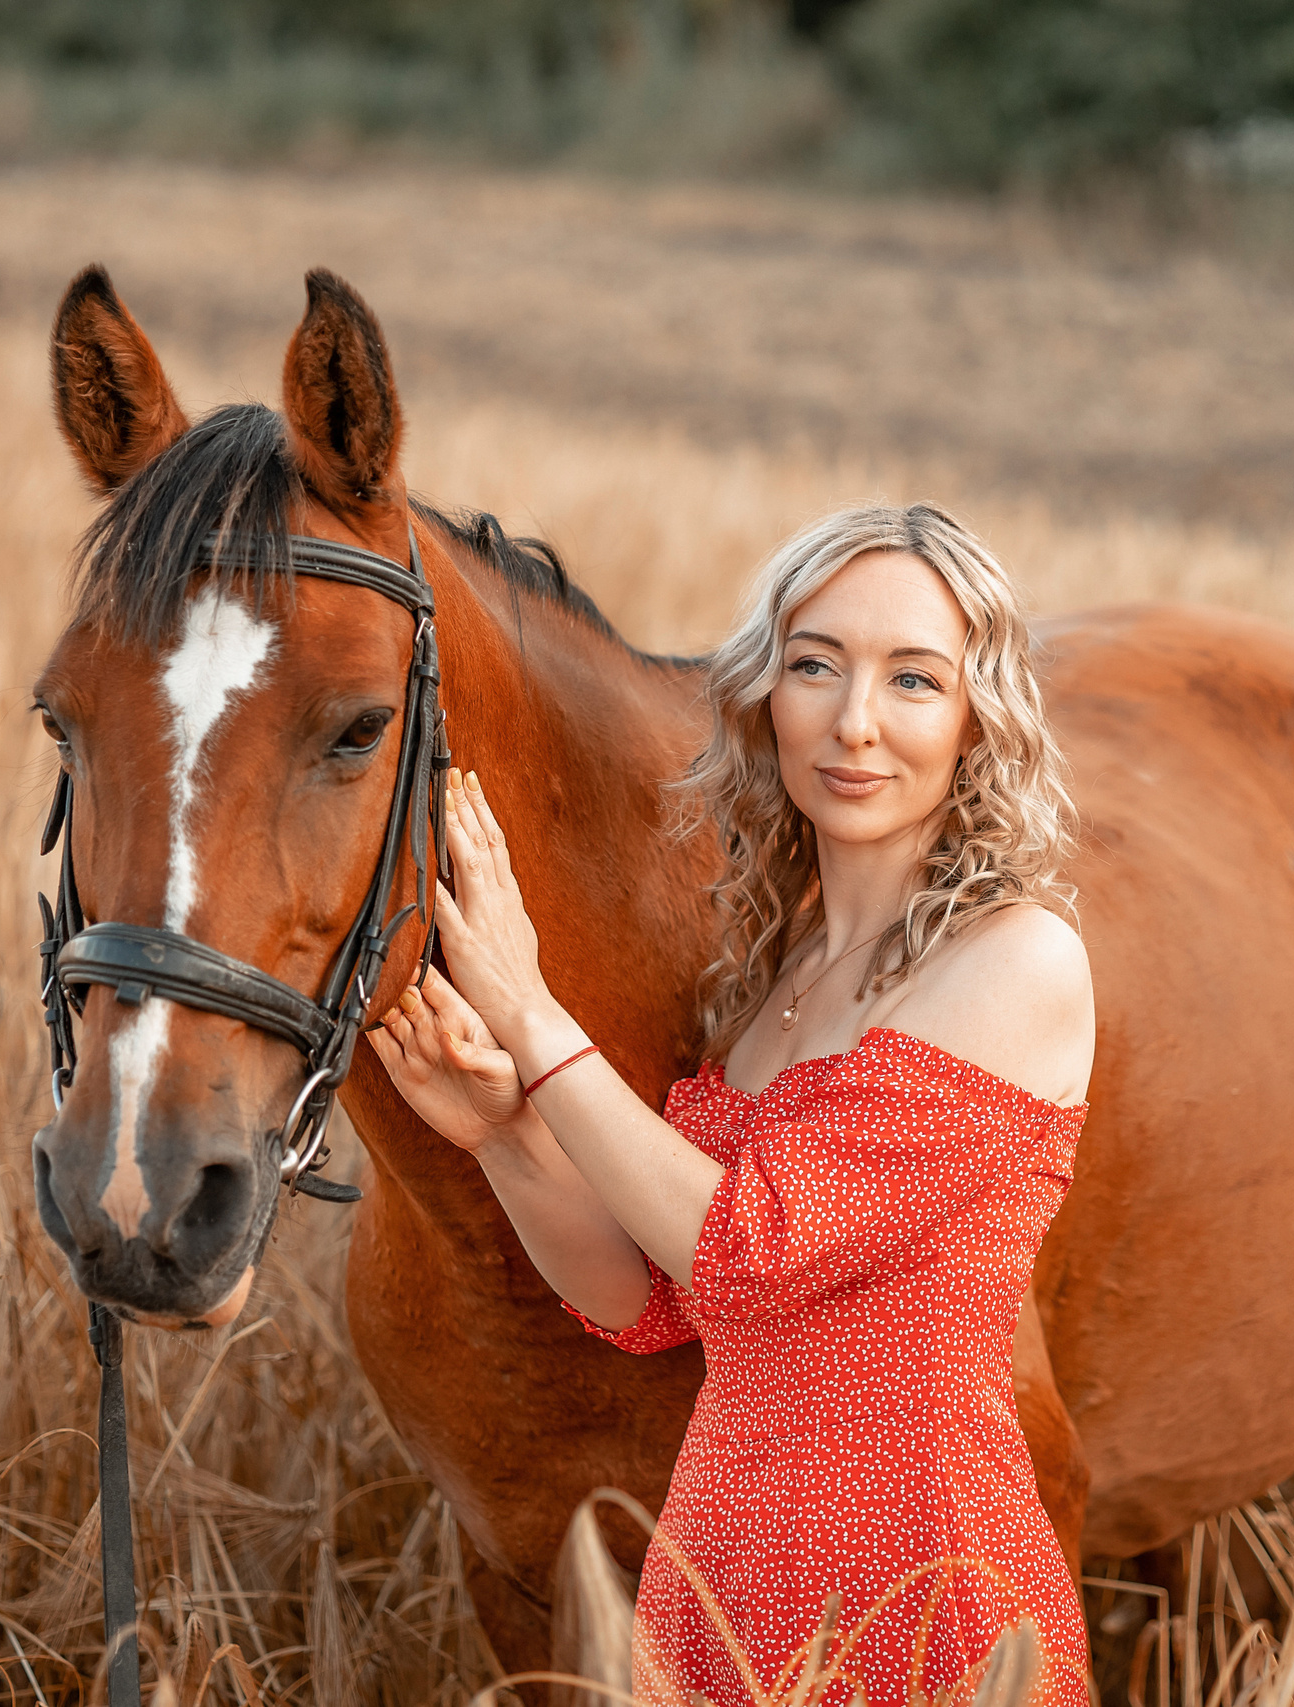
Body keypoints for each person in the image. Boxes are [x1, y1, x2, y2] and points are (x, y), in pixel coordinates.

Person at [368, 503, 1097, 1707]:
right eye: (815, 664)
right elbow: (649, 1297)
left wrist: (533, 1014)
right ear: (765, 693)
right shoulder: (775, 979)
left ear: (979, 720)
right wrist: (504, 1129)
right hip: (711, 1585)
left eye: (914, 679)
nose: (854, 722)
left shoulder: (1016, 962)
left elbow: (748, 1247)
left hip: (917, 1589)